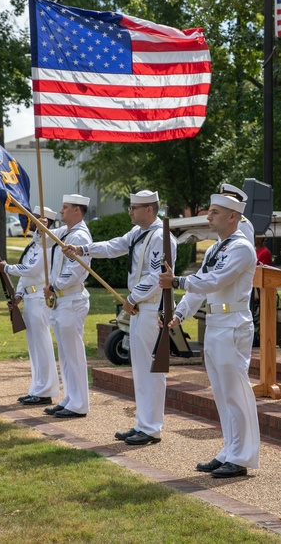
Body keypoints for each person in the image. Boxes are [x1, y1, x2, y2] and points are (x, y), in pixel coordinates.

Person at [159, 188, 260, 478]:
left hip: (232, 323)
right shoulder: (217, 247)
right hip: (215, 323)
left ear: (232, 216)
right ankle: (229, 450)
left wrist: (176, 281)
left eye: (215, 212)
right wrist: (179, 313)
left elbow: (215, 281)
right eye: (210, 210)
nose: (208, 216)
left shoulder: (241, 247)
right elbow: (201, 283)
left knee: (235, 393)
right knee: (221, 393)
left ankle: (241, 457)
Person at [64, 190, 177, 446]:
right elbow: (114, 246)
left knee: (150, 370)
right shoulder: (138, 233)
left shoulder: (161, 237)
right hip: (139, 307)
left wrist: (132, 298)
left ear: (149, 209)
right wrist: (82, 248)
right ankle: (143, 424)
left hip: (150, 308)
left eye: (134, 208)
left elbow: (156, 277)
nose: (130, 212)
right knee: (139, 369)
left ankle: (151, 428)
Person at [0, 206, 60, 405]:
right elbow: (25, 272)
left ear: (45, 221)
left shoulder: (47, 245)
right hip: (30, 298)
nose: (29, 222)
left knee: (42, 345)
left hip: (40, 298)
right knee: (34, 346)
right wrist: (19, 293)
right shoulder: (35, 242)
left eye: (35, 219)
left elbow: (31, 269)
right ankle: (37, 388)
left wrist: (7, 267)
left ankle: (46, 390)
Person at [41, 194, 92, 419]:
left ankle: (80, 403)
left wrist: (55, 284)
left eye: (65, 208)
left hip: (71, 298)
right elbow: (43, 242)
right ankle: (70, 398)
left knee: (74, 354)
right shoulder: (65, 232)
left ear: (77, 211)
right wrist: (41, 228)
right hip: (60, 299)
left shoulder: (80, 235)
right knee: (65, 353)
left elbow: (77, 269)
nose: (60, 212)